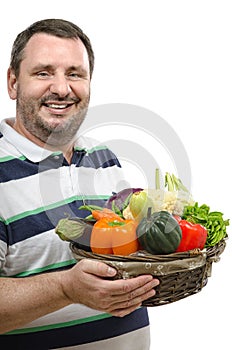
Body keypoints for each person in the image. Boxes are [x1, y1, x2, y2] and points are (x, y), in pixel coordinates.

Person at [0, 19, 159, 349]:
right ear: (13, 82)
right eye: (43, 72)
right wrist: (64, 288)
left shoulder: (106, 159)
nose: (61, 88)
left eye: (74, 74)